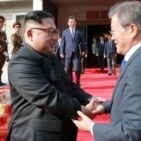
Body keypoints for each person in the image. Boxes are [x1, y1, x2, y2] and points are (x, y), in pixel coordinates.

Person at [73, 1, 141, 141]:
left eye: (114, 30)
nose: (112, 37)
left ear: (132, 30)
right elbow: (131, 98)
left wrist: (92, 127)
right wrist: (105, 107)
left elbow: (132, 130)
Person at [6, 10, 101, 141]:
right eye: (50, 32)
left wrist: (89, 99)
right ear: (30, 34)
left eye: (56, 32)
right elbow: (47, 96)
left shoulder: (51, 57)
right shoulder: (21, 61)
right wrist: (81, 110)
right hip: (34, 135)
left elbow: (68, 85)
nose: (56, 38)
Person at [60, 16, 86, 86]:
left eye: (74, 22)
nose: (72, 23)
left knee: (77, 69)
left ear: (76, 23)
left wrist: (84, 50)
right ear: (68, 23)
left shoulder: (79, 32)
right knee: (68, 69)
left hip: (76, 54)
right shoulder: (65, 32)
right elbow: (62, 43)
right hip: (67, 53)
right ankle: (69, 83)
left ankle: (78, 81)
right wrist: (61, 52)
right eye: (71, 22)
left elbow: (83, 42)